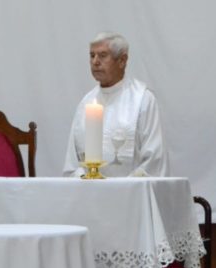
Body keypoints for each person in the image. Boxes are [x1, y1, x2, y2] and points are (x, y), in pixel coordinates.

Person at [63, 32, 169, 177]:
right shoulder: (86, 102)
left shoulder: (142, 99)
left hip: (131, 195)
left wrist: (121, 189)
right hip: (90, 194)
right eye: (92, 55)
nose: (95, 62)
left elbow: (154, 160)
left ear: (122, 60)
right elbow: (73, 163)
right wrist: (84, 179)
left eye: (102, 55)